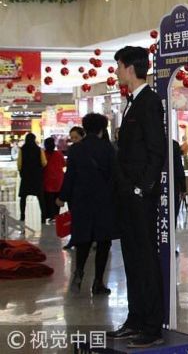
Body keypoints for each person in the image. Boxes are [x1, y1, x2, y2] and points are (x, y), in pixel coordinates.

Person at [107, 46, 167, 348]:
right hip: (127, 198)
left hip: (141, 198)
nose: (117, 71)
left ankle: (152, 326)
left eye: (118, 66)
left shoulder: (149, 102)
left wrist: (142, 188)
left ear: (130, 68)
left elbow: (157, 150)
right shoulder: (131, 102)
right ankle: (135, 318)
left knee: (145, 259)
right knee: (131, 258)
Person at [56, 113, 117, 296]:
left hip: (81, 201)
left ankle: (79, 272)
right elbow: (115, 177)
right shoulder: (108, 149)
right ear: (101, 129)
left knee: (83, 239)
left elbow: (70, 176)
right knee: (103, 241)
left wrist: (62, 196)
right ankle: (98, 282)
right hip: (103, 202)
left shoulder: (76, 149)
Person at [17, 132, 47, 225]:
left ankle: (22, 216)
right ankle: (43, 217)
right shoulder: (39, 150)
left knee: (23, 197)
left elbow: (19, 164)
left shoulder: (22, 149)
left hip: (26, 177)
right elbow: (44, 163)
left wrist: (22, 171)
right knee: (40, 197)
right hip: (37, 176)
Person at [42, 137, 66, 222]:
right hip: (58, 180)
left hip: (47, 180)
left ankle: (50, 215)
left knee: (48, 199)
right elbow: (64, 164)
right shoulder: (59, 154)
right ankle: (56, 216)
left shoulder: (43, 154)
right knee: (57, 199)